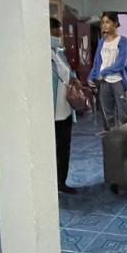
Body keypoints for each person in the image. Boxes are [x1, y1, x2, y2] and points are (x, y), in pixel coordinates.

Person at [90, 11, 127, 132]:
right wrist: (91, 77)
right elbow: (97, 62)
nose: (104, 25)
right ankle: (111, 139)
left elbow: (121, 63)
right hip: (104, 83)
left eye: (108, 22)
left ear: (115, 24)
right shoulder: (101, 42)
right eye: (103, 22)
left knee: (123, 114)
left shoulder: (122, 41)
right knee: (107, 113)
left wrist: (104, 72)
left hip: (118, 81)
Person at [51, 18, 79, 194]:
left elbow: (68, 71)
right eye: (56, 32)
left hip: (65, 109)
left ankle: (62, 182)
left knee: (64, 147)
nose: (59, 36)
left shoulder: (59, 52)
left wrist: (75, 78)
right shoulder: (39, 54)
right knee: (50, 150)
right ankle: (50, 183)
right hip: (50, 112)